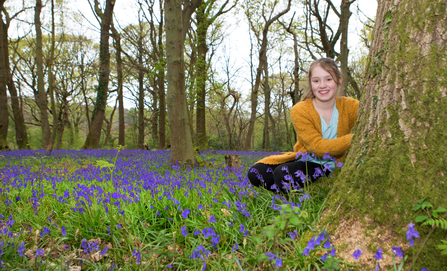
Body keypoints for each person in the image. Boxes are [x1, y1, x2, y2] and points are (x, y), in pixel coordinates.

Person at [247, 58, 359, 193]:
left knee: (282, 174)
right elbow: (318, 147)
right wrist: (354, 139)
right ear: (311, 83)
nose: (322, 85)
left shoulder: (350, 106)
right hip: (310, 160)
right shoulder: (300, 110)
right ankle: (296, 196)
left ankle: (301, 196)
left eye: (329, 79)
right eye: (316, 81)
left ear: (339, 81)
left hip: (335, 162)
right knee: (256, 172)